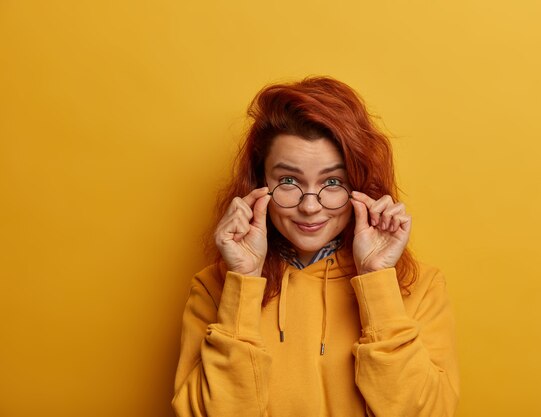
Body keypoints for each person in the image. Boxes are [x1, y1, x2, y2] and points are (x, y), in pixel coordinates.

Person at [172, 77, 459, 417]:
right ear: (259, 184)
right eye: (289, 181)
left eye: (333, 182)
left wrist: (377, 280)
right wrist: (244, 281)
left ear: (360, 185)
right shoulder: (216, 287)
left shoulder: (418, 286)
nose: (310, 206)